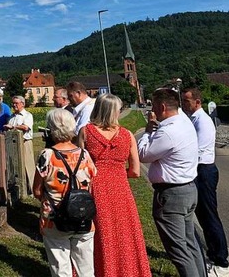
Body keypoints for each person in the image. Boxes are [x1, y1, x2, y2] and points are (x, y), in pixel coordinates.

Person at [79, 93, 151, 277]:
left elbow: (77, 164)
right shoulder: (127, 135)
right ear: (114, 112)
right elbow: (135, 171)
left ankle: (102, 270)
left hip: (96, 188)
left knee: (100, 233)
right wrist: (117, 174)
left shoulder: (86, 132)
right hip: (120, 189)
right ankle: (128, 270)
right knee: (125, 234)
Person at [138, 88, 205, 277]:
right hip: (188, 189)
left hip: (171, 195)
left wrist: (147, 131)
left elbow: (143, 154)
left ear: (161, 106)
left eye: (153, 105)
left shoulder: (168, 131)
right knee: (190, 243)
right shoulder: (184, 123)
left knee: (179, 251)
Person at [33, 108, 97, 277]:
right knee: (86, 268)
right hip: (83, 216)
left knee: (60, 267)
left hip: (54, 218)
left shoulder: (47, 155)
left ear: (51, 129)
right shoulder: (85, 154)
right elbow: (92, 180)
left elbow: (37, 190)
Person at [181, 88, 229, 277]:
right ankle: (214, 255)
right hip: (200, 171)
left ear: (197, 102)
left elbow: (198, 151)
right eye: (183, 100)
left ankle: (222, 262)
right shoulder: (192, 119)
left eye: (187, 101)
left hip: (204, 171)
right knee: (204, 217)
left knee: (210, 217)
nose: (184, 104)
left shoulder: (203, 121)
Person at [4, 95, 35, 195]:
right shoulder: (11, 117)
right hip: (13, 144)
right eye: (13, 103)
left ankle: (32, 189)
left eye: (16, 103)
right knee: (14, 166)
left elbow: (26, 128)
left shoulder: (27, 115)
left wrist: (12, 127)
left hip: (24, 143)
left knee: (28, 166)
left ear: (23, 104)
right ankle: (18, 188)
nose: (14, 105)